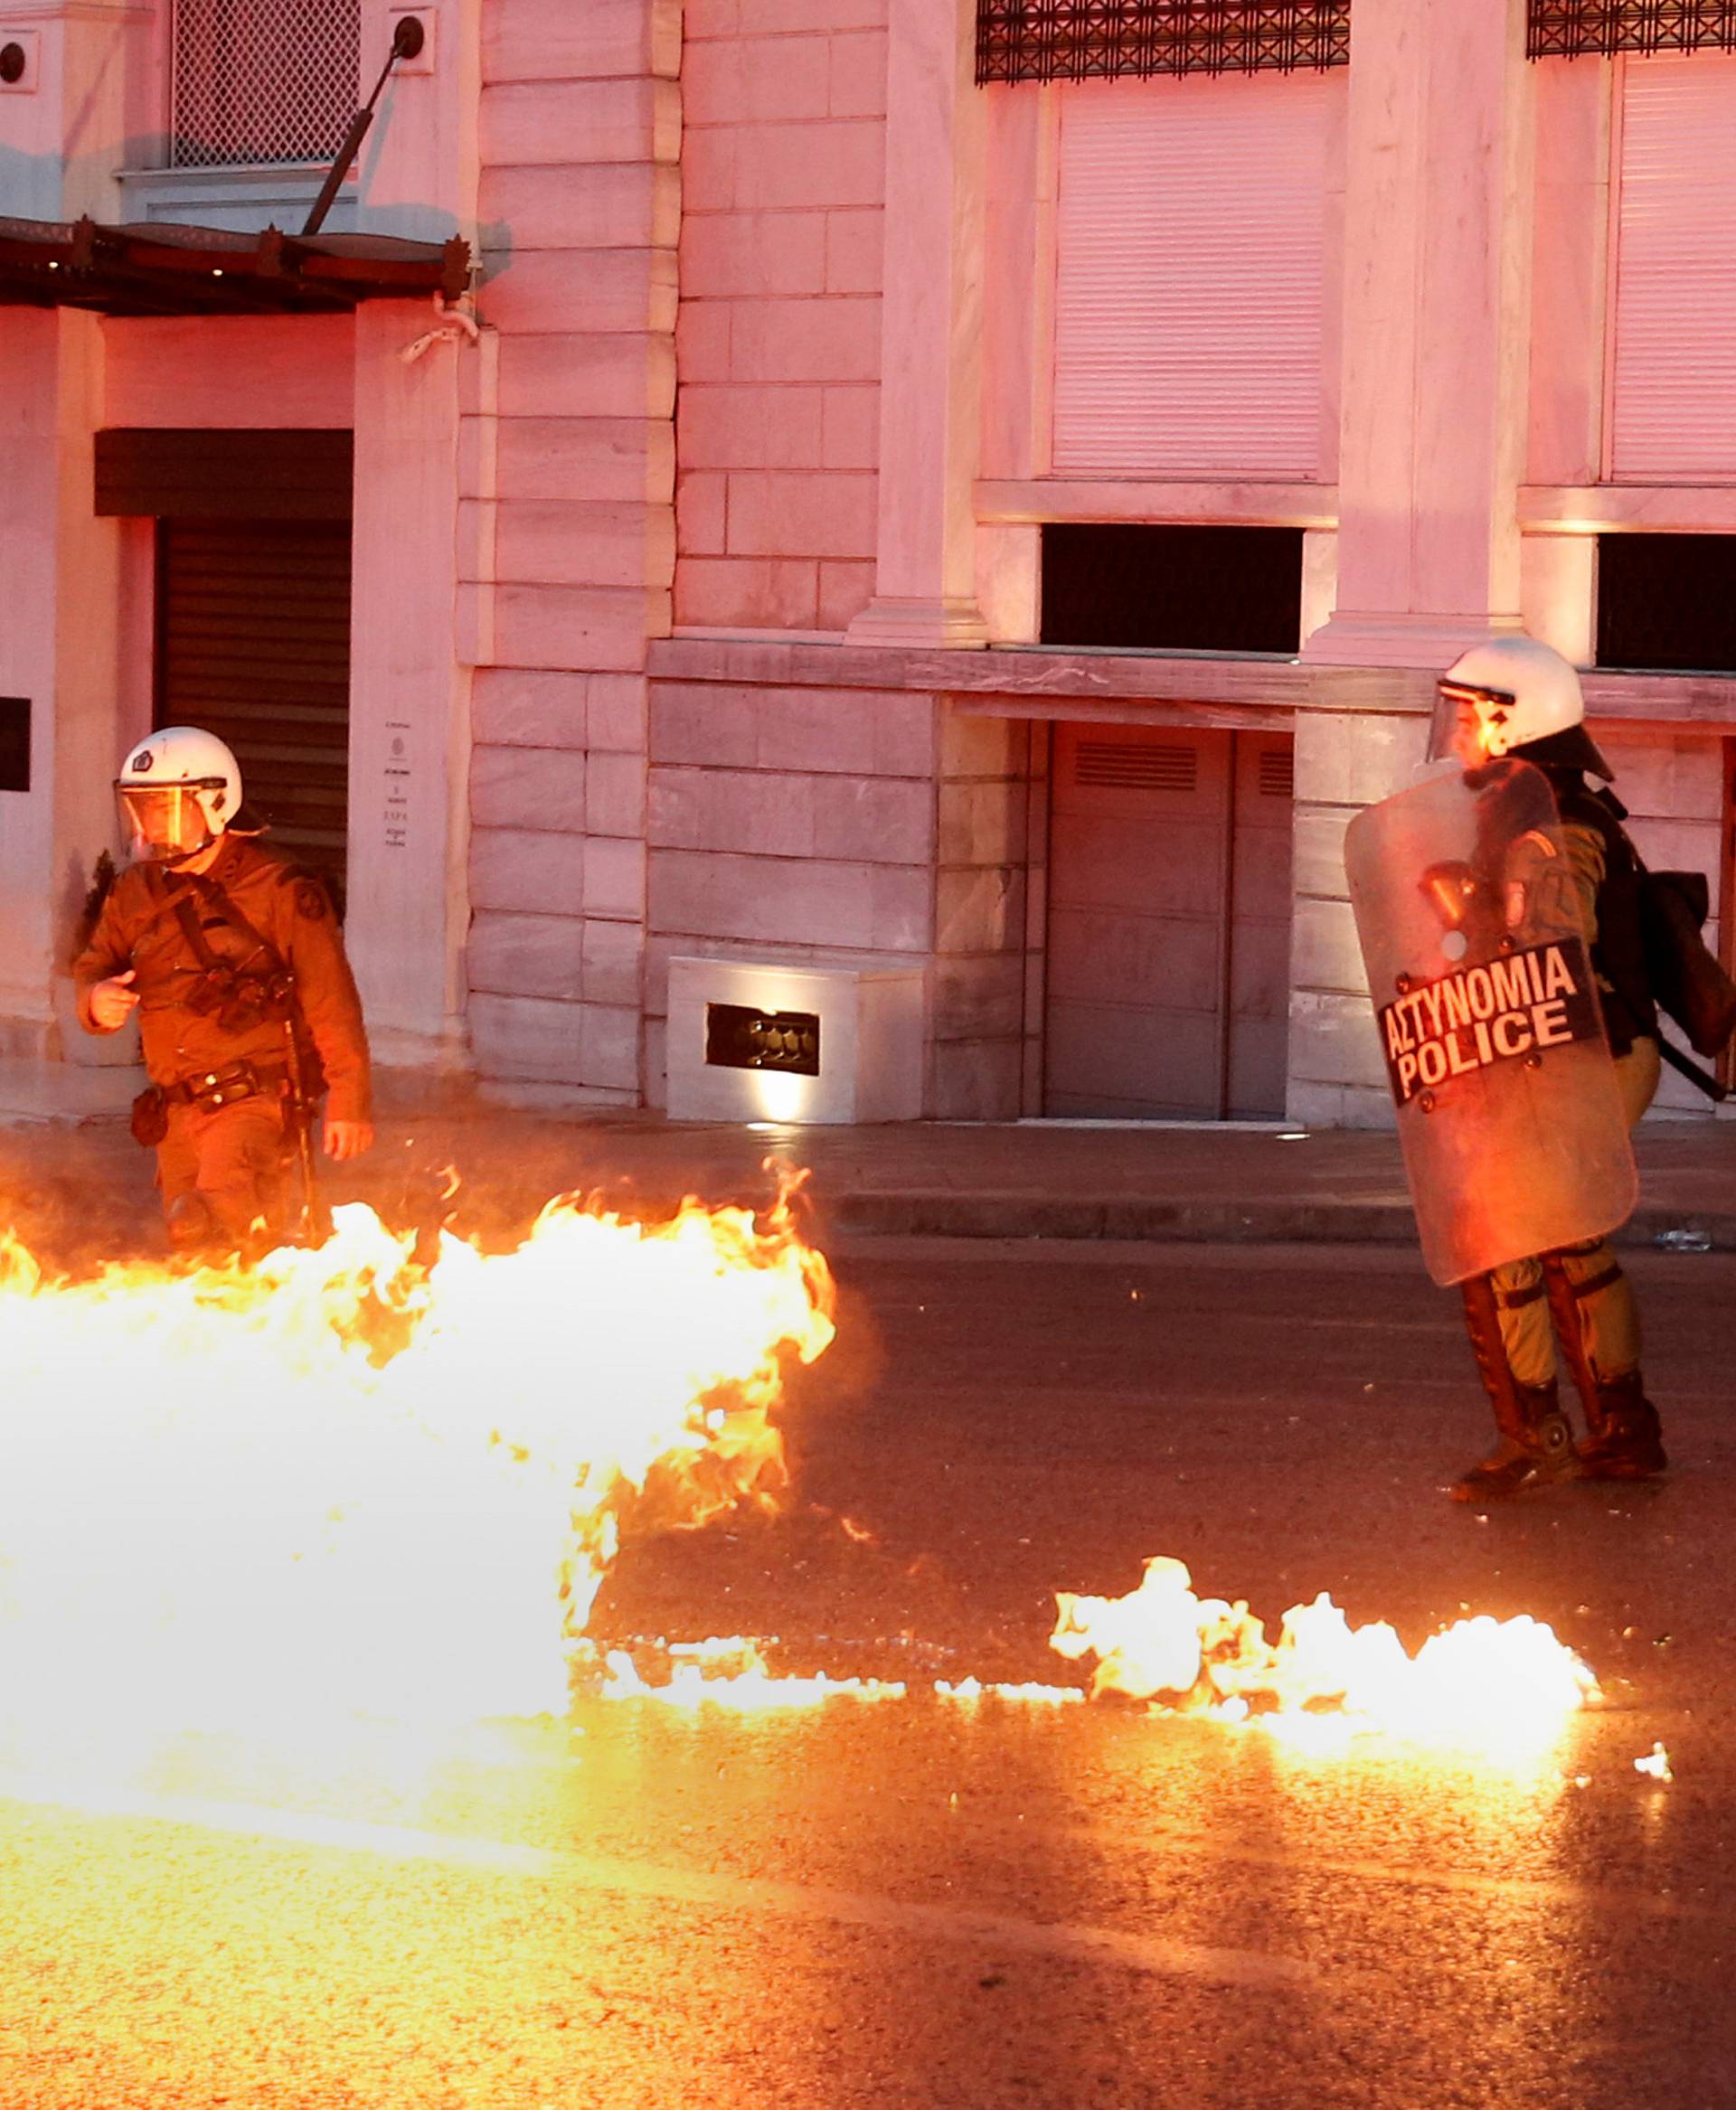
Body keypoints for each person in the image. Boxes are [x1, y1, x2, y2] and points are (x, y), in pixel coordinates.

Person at [1429, 635, 1666, 1501]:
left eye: (1466, 717)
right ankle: (1623, 1430)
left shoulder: (1551, 828)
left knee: (1506, 1237)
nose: (1455, 736)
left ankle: (1541, 1435)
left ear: (1509, 720)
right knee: (1568, 1234)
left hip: (1579, 1056)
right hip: (1583, 1051)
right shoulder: (1536, 808)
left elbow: (1553, 951)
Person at [72, 727, 373, 1256]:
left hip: (251, 1101)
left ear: (214, 803)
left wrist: (349, 1098)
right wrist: (95, 1000)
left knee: (215, 1237)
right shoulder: (136, 890)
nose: (151, 823)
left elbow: (331, 1000)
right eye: (142, 808)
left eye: (166, 808)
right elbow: (94, 965)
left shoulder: (281, 890)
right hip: (175, 1112)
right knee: (192, 1255)